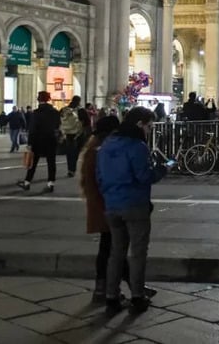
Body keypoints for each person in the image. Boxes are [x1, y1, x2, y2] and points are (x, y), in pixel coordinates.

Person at [96, 107, 167, 314]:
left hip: (112, 206)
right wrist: (162, 169)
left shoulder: (107, 145)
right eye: (148, 126)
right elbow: (144, 177)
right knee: (137, 253)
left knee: (115, 253)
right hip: (135, 205)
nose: (149, 130)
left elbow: (99, 177)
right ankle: (137, 296)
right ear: (139, 124)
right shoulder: (137, 146)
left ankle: (111, 296)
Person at [79, 115, 157, 303]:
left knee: (113, 250)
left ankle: (111, 291)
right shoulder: (101, 150)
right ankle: (125, 290)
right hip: (110, 204)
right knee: (118, 250)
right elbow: (140, 176)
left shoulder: (100, 148)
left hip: (108, 204)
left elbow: (96, 178)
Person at [17, 91, 61, 192]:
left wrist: (29, 143)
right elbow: (58, 125)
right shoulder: (55, 112)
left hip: (38, 140)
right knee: (51, 162)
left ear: (39, 99)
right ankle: (50, 184)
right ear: (48, 99)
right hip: (51, 139)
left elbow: (32, 129)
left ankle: (27, 182)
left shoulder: (36, 113)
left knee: (33, 162)